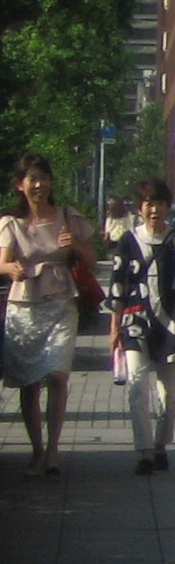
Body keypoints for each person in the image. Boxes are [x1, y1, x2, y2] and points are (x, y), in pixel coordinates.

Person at [1, 154, 96, 476]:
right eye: (32, 179)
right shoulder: (11, 223)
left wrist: (75, 246)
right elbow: (1, 262)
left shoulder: (67, 217)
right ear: (20, 185)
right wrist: (10, 267)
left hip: (60, 303)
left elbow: (92, 258)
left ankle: (54, 451)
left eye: (44, 177)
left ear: (51, 182)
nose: (39, 185)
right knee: (29, 383)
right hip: (25, 305)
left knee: (58, 375)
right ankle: (37, 451)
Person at [107, 180, 175, 475]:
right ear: (140, 208)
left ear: (167, 207)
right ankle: (145, 452)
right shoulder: (129, 241)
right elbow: (118, 285)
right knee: (137, 384)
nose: (154, 210)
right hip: (135, 322)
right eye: (149, 204)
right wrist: (114, 327)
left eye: (159, 203)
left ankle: (161, 445)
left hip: (171, 324)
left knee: (168, 390)